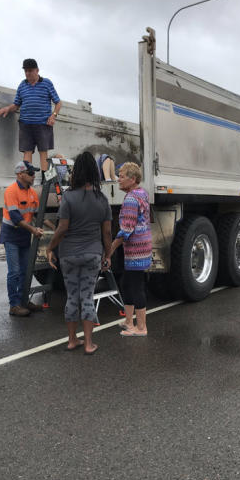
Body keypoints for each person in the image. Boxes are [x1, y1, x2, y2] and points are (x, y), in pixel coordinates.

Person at [45, 152, 113, 355]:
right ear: (94, 172)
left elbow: (62, 228)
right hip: (93, 253)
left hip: (69, 255)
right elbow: (107, 232)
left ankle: (72, 340)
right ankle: (89, 343)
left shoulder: (68, 197)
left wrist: (50, 248)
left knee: (72, 296)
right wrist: (108, 255)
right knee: (87, 297)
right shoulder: (102, 199)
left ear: (77, 172)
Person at [0, 161, 52, 316]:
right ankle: (14, 305)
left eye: (33, 173)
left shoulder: (32, 192)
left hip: (24, 235)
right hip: (11, 235)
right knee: (14, 272)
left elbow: (37, 215)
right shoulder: (11, 191)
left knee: (25, 271)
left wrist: (55, 228)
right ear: (20, 174)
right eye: (30, 173)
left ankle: (24, 301)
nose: (33, 176)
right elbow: (15, 218)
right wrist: (34, 230)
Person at [105, 162, 151, 336]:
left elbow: (126, 230)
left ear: (132, 179)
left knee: (135, 286)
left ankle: (141, 328)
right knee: (127, 283)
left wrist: (110, 249)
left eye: (122, 176)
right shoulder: (142, 193)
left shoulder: (131, 198)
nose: (119, 180)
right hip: (142, 247)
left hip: (136, 250)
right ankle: (128, 321)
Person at [0, 58, 62, 173]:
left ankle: (45, 178)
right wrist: (7, 108)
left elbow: (58, 102)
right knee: (27, 151)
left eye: (30, 70)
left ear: (37, 70)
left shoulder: (46, 83)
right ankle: (28, 176)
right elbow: (16, 104)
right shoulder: (22, 85)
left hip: (43, 123)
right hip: (25, 124)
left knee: (43, 151)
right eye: (26, 71)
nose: (28, 73)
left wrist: (53, 115)